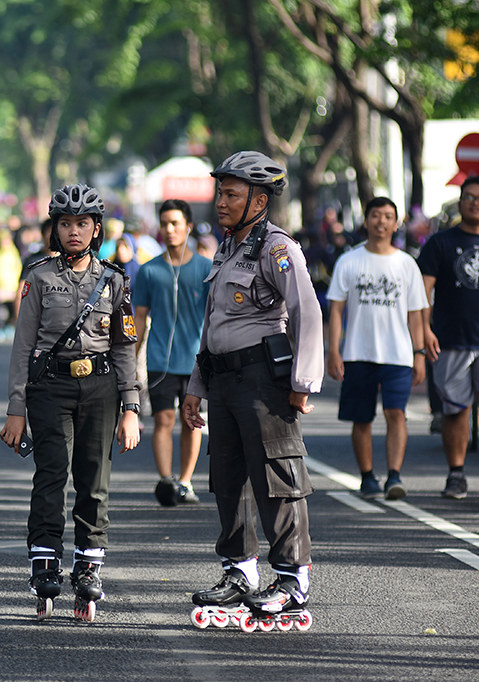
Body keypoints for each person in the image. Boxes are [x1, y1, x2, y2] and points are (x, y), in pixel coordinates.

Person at [181, 152, 323, 626]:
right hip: (221, 380)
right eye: (220, 192)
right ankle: (239, 572)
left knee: (277, 480)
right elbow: (212, 322)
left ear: (259, 200)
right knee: (227, 480)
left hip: (263, 382)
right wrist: (196, 386)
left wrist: (302, 383)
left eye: (231, 194)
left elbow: (306, 311)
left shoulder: (277, 248)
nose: (220, 201)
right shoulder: (227, 248)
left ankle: (290, 580)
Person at [0, 183, 141, 622]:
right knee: (51, 476)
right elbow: (23, 347)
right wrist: (16, 408)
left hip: (100, 388)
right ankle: (44, 564)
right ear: (54, 228)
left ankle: (87, 566)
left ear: (96, 228)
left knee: (94, 480)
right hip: (50, 388)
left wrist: (131, 408)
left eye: (82, 223)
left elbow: (124, 347)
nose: (74, 231)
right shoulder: (38, 277)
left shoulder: (115, 280)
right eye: (65, 223)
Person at [326, 197, 427, 501]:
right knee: (362, 418)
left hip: (398, 354)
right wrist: (333, 350)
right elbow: (335, 310)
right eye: (375, 216)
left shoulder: (407, 264)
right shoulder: (349, 261)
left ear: (396, 224)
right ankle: (368, 477)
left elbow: (416, 314)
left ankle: (394, 476)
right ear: (366, 220)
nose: (381, 222)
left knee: (396, 413)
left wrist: (419, 354)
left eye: (387, 217)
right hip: (358, 353)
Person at [132, 199, 212, 506]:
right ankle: (166, 481)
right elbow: (139, 317)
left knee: (190, 420)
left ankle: (185, 481)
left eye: (175, 223)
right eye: (164, 223)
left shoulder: (206, 269)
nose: (169, 229)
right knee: (163, 419)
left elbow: (214, 316)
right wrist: (130, 357)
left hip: (194, 362)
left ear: (188, 227)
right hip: (160, 361)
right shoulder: (150, 271)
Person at [418, 176, 479, 499]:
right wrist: (424, 331)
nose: (474, 202)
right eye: (468, 197)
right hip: (451, 340)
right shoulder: (439, 243)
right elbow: (423, 293)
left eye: (478, 197)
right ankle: (456, 475)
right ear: (460, 201)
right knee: (456, 410)